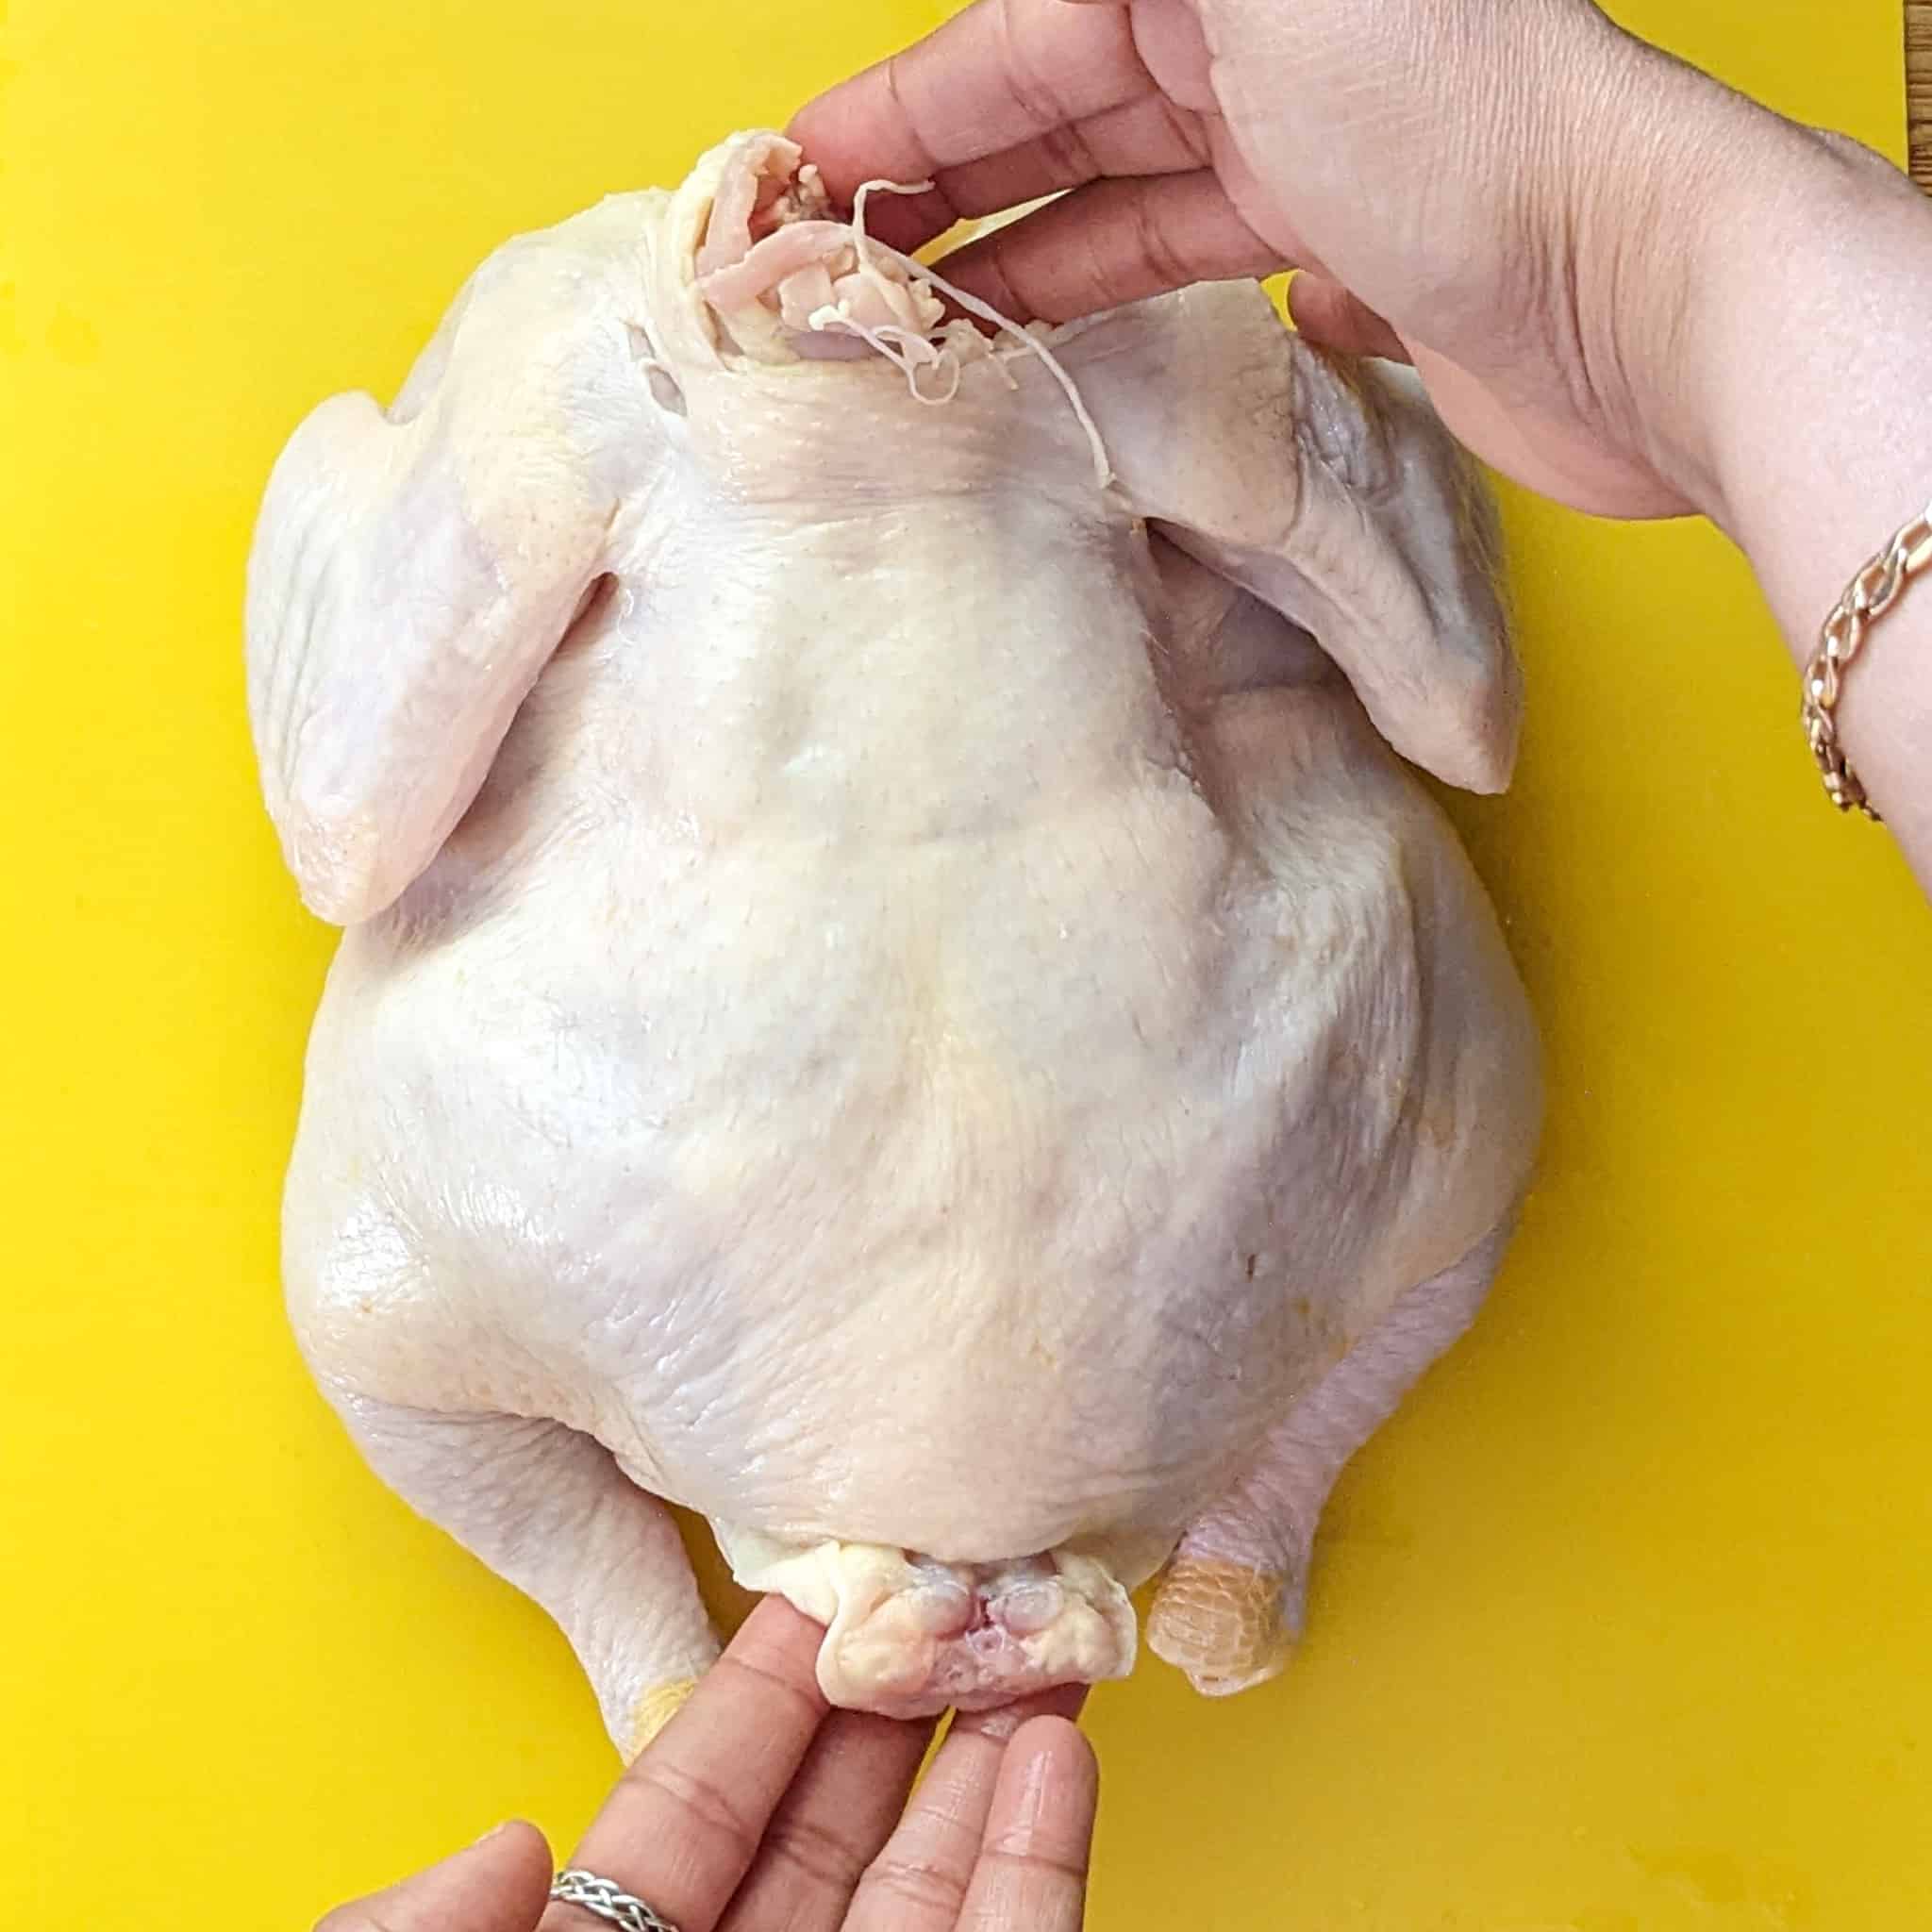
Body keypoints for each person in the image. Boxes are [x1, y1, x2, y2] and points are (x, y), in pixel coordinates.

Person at [323, 0, 1932, 1924]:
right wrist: (1676, 243)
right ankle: (647, 1618)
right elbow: (343, 806)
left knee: (386, 1293)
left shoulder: (1135, 366)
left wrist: (1652, 248)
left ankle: (1241, 1495)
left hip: (1100, 1182)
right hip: (785, 1243)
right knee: (388, 1297)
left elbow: (1459, 702)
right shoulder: (577, 365)